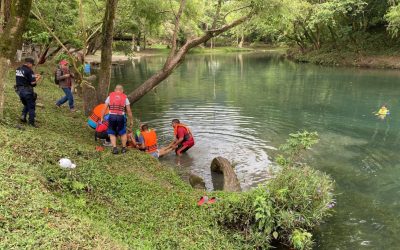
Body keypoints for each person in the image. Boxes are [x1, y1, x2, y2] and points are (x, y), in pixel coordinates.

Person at [101, 85, 133, 154]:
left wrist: (101, 117)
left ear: (115, 90)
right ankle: (124, 148)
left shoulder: (110, 97)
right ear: (122, 90)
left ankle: (115, 149)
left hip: (112, 116)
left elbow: (104, 108)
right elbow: (129, 110)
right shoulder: (125, 98)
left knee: (112, 133)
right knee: (123, 133)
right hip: (120, 117)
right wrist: (131, 120)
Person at [15, 58, 41, 127]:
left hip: (19, 91)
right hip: (27, 91)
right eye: (32, 64)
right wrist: (37, 78)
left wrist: (33, 75)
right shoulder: (30, 71)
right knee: (31, 106)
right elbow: (33, 83)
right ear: (29, 63)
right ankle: (31, 123)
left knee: (26, 103)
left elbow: (24, 76)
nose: (32, 66)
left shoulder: (18, 69)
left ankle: (23, 116)